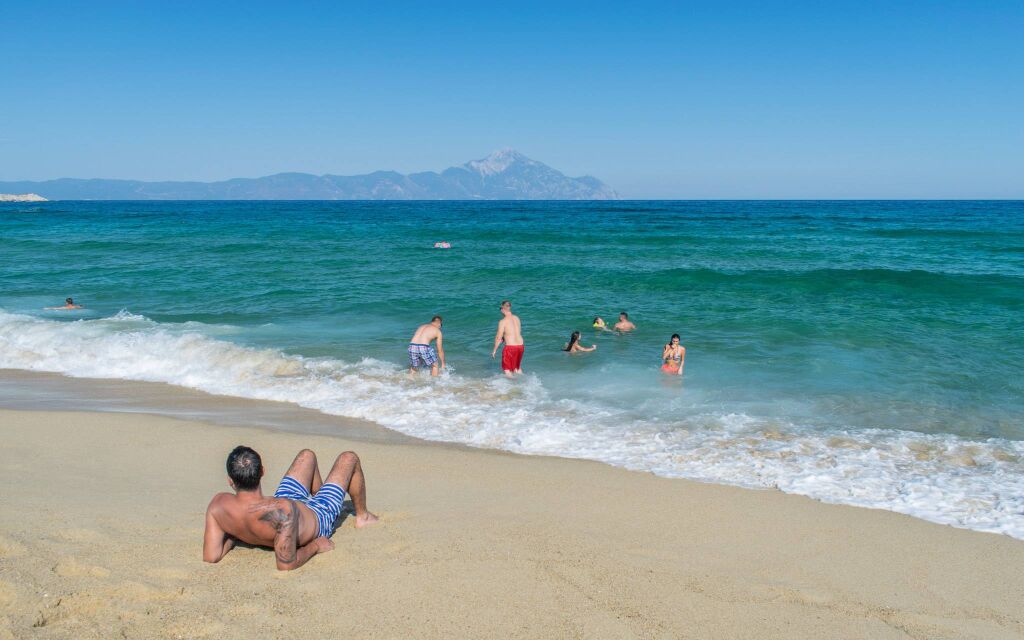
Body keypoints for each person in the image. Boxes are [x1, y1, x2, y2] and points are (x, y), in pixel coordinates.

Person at [203, 446, 378, 571]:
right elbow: (286, 564)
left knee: (307, 455)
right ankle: (363, 517)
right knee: (349, 458)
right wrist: (316, 545)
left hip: (286, 500)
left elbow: (211, 556)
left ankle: (320, 492)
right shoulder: (281, 512)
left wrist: (235, 534)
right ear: (262, 472)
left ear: (230, 481)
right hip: (318, 515)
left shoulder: (218, 505)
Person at [492, 300, 524, 377]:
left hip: (510, 348)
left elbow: (498, 338)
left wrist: (494, 350)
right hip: (520, 346)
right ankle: (525, 383)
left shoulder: (503, 321)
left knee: (507, 370)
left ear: (503, 308)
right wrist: (504, 338)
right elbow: (516, 332)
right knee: (517, 368)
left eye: (500, 308)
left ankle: (513, 387)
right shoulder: (517, 318)